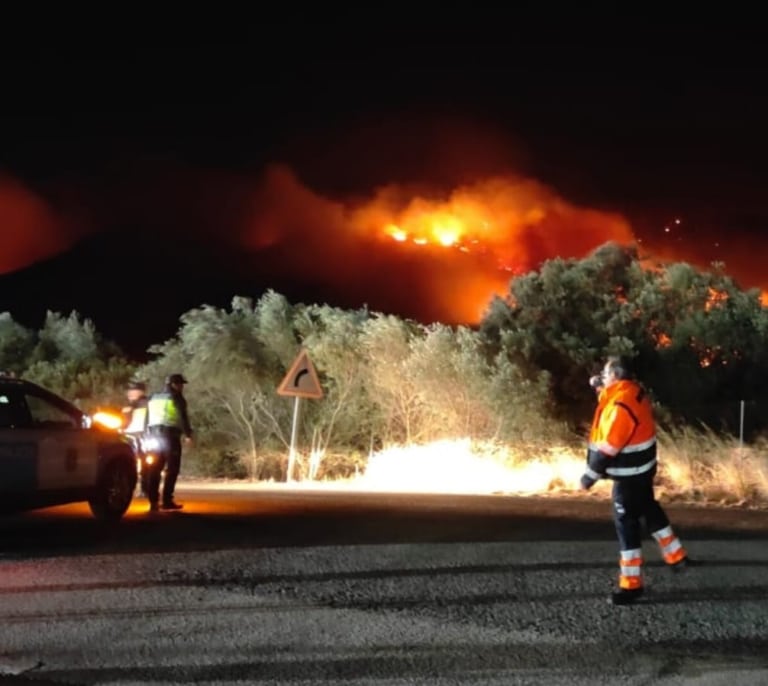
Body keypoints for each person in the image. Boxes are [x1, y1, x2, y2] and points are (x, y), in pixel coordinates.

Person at [581, 355, 689, 605]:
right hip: (643, 470)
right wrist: (598, 384)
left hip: (628, 477)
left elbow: (609, 447)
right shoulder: (634, 392)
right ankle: (676, 556)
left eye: (606, 375)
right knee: (649, 510)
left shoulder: (620, 406)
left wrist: (589, 476)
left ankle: (631, 585)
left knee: (626, 525)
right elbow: (610, 395)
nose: (603, 379)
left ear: (616, 377)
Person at [145, 373, 193, 512]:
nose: (182, 387)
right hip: (170, 437)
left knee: (154, 468)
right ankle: (167, 500)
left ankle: (153, 501)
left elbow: (147, 417)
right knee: (172, 469)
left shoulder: (153, 397)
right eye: (180, 384)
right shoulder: (177, 398)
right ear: (173, 384)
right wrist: (188, 434)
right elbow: (183, 417)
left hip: (153, 436)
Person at [121, 381, 150, 496]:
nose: (130, 393)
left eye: (133, 391)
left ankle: (145, 489)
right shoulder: (128, 406)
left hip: (143, 438)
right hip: (129, 438)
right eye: (129, 391)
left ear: (141, 392)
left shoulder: (146, 403)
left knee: (146, 465)